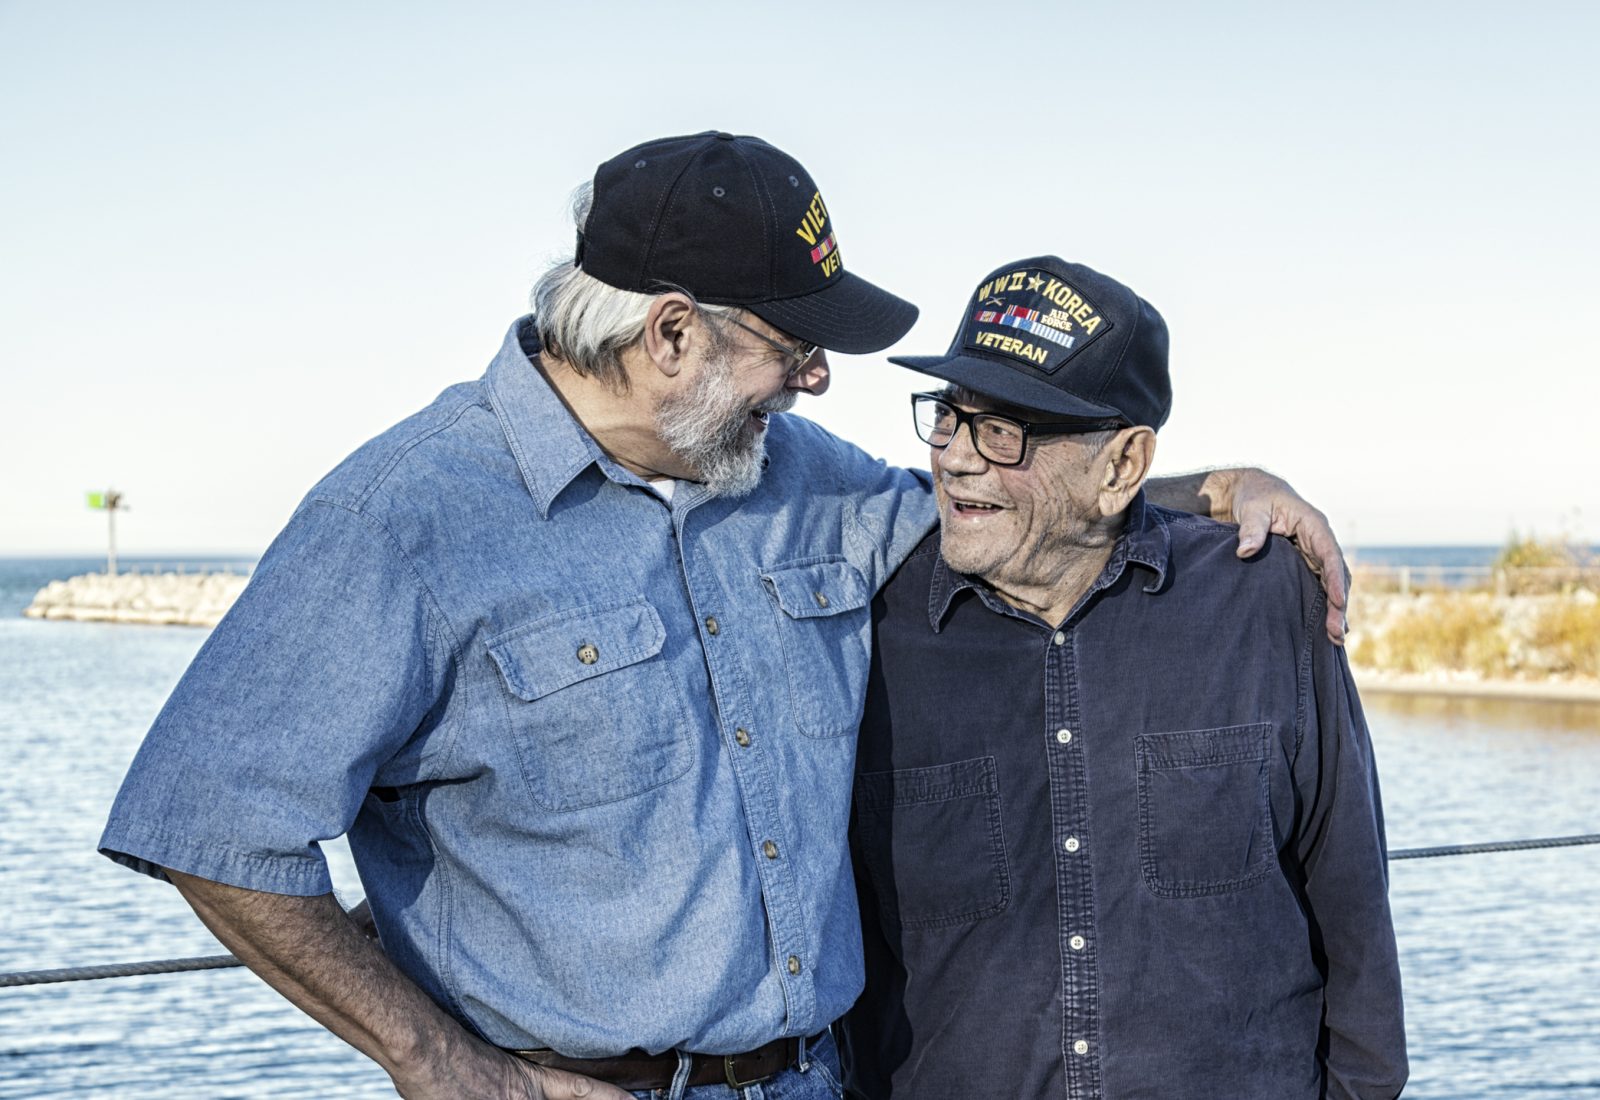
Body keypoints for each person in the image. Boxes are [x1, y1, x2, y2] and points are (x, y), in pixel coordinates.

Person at [99, 135, 1347, 1100]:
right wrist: (442, 1064)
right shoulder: (406, 517)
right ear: (673, 333)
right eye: (793, 344)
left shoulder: (793, 469)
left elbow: (988, 495)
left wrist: (1207, 486)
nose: (816, 378)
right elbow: (210, 824)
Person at [840, 256, 1406, 1099]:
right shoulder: (866, 632)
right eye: (948, 419)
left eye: (1002, 432)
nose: (955, 458)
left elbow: (1351, 900)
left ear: (1123, 465)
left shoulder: (1266, 600)